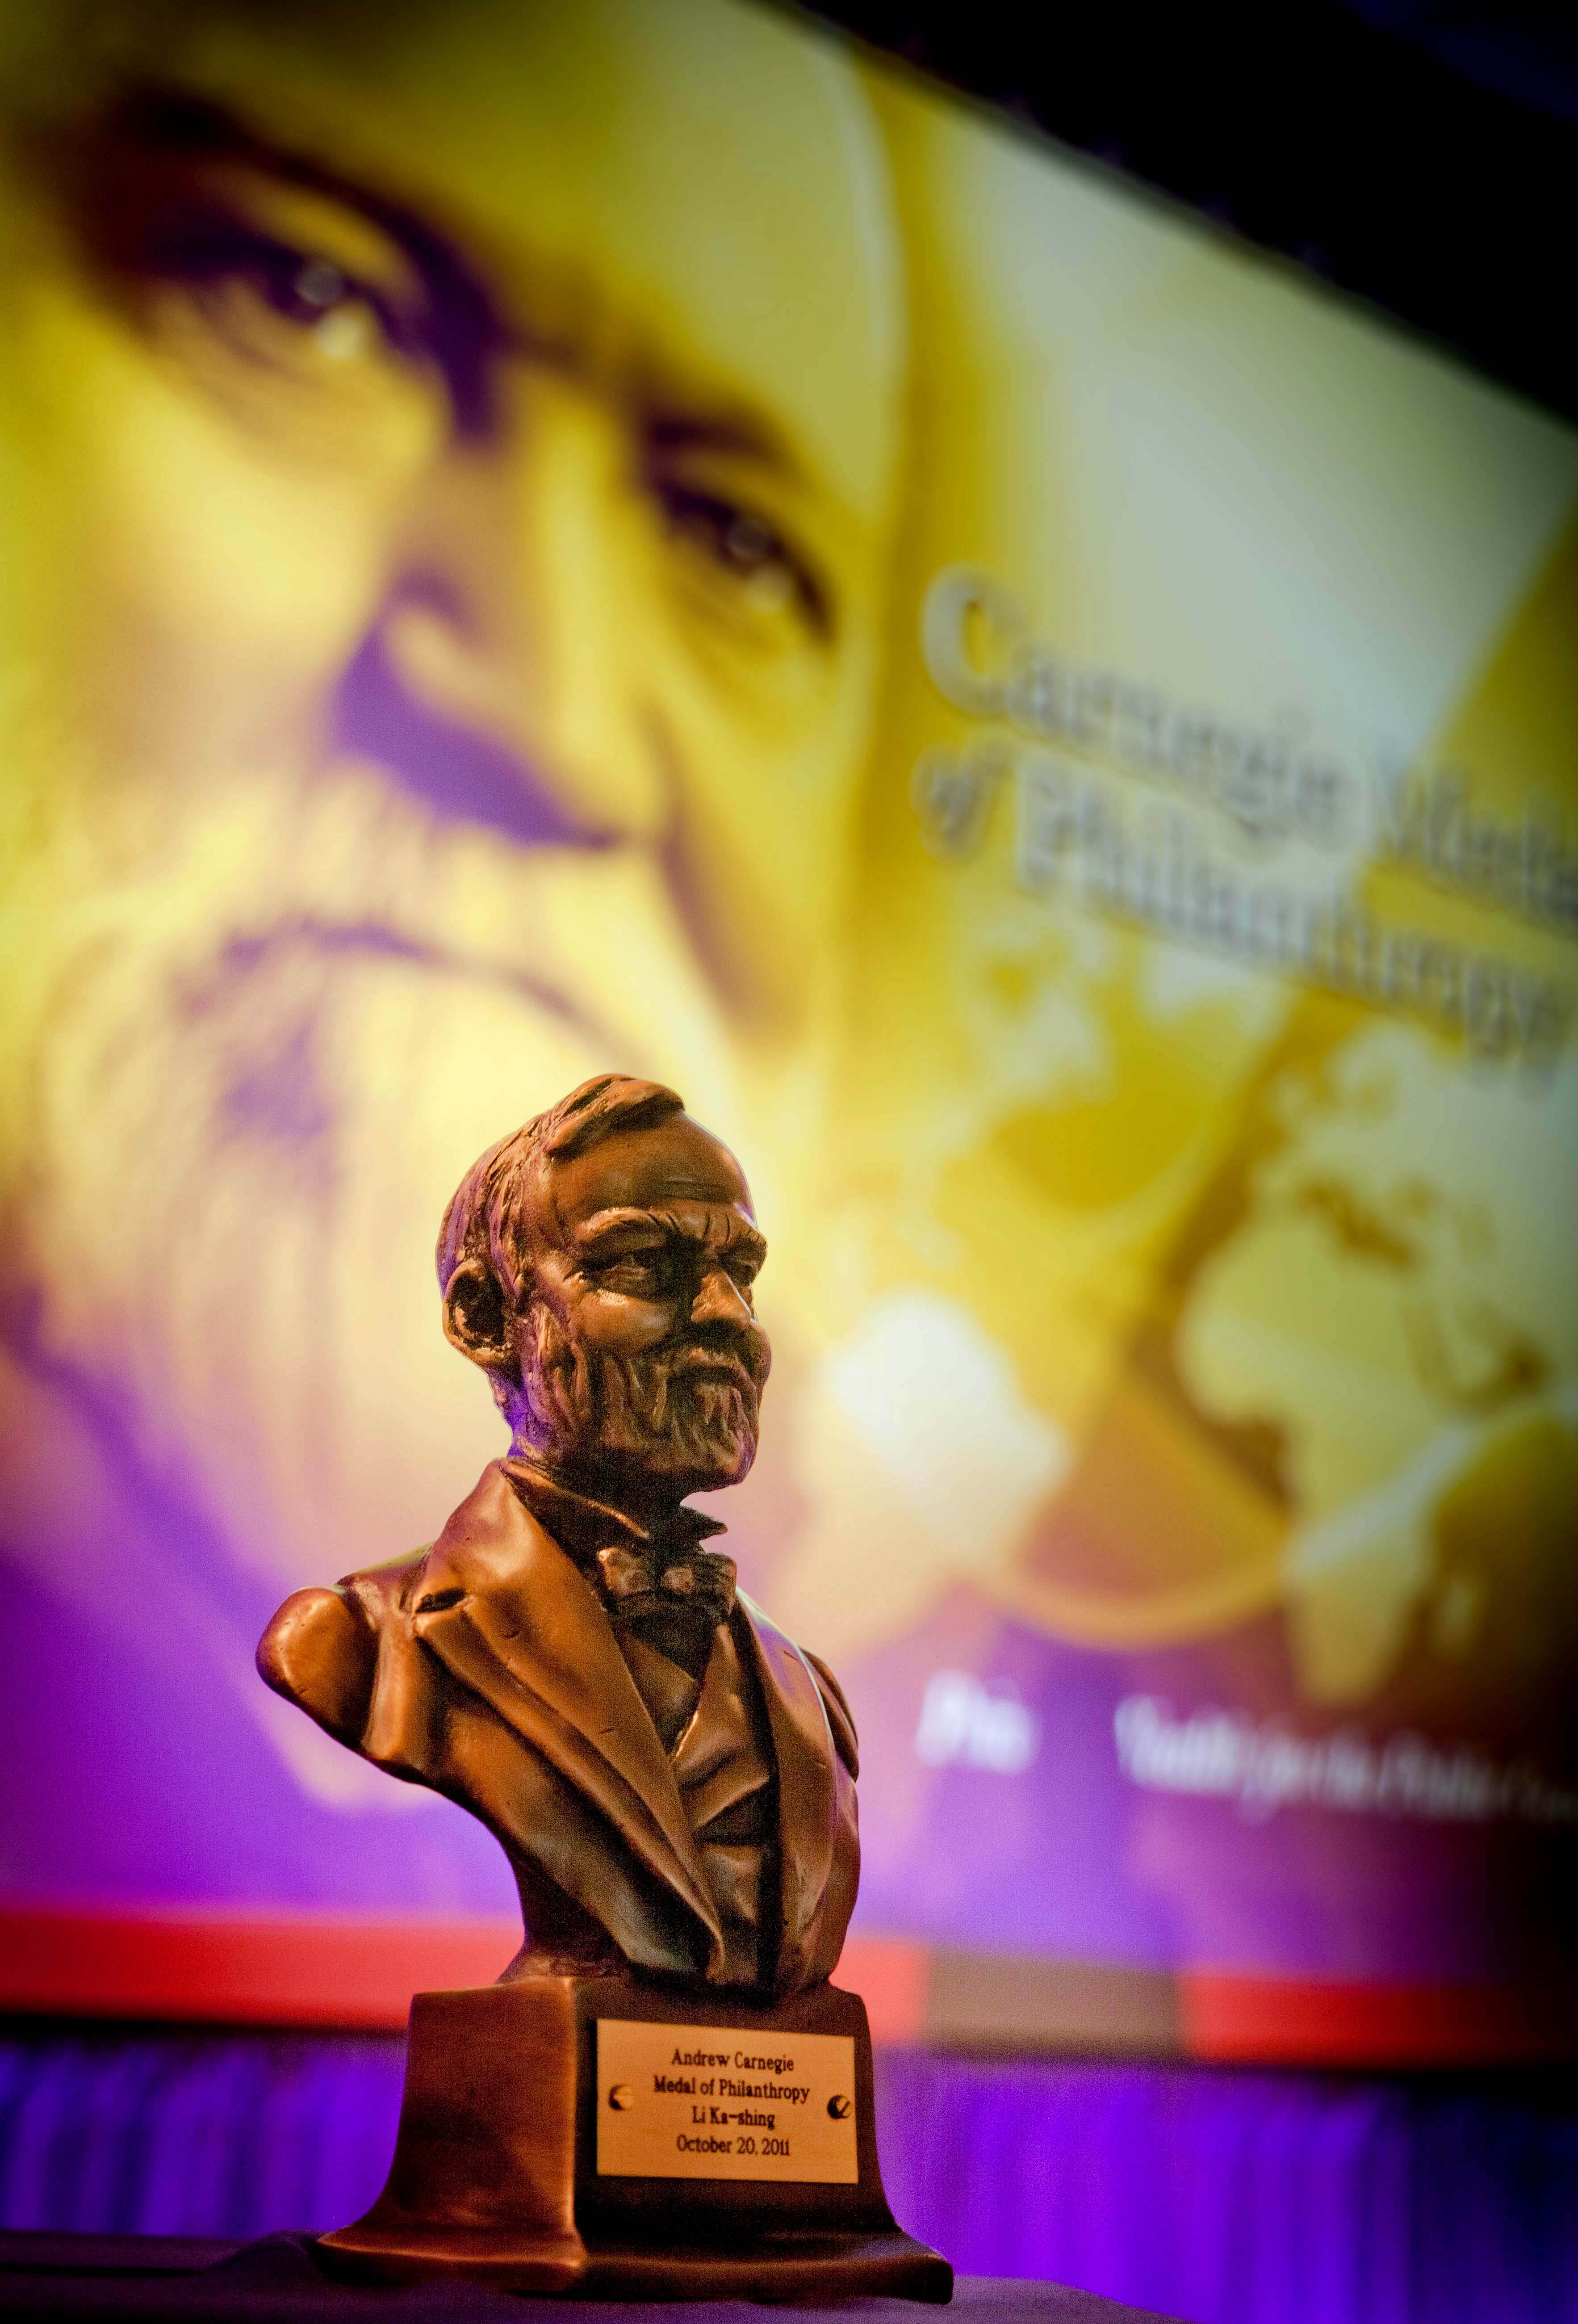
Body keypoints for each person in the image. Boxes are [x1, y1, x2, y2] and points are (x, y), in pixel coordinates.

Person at [0, 0, 902, 1905]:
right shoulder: (371, 1651)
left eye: (733, 541)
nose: (554, 724)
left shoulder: (805, 1715)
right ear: (487, 1317)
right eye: (307, 298)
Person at [259, 1074, 860, 1995]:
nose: (729, 1318)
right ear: (485, 1318)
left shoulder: (809, 1697)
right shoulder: (363, 1645)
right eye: (643, 1266)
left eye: (741, 1275)